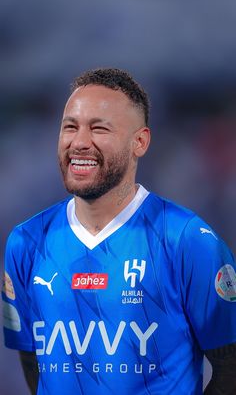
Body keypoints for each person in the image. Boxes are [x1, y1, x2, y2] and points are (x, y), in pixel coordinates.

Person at [2, 67, 236, 395]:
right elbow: (33, 364)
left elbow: (231, 368)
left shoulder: (186, 240)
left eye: (99, 128)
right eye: (70, 127)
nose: (80, 142)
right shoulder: (26, 242)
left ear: (139, 142)